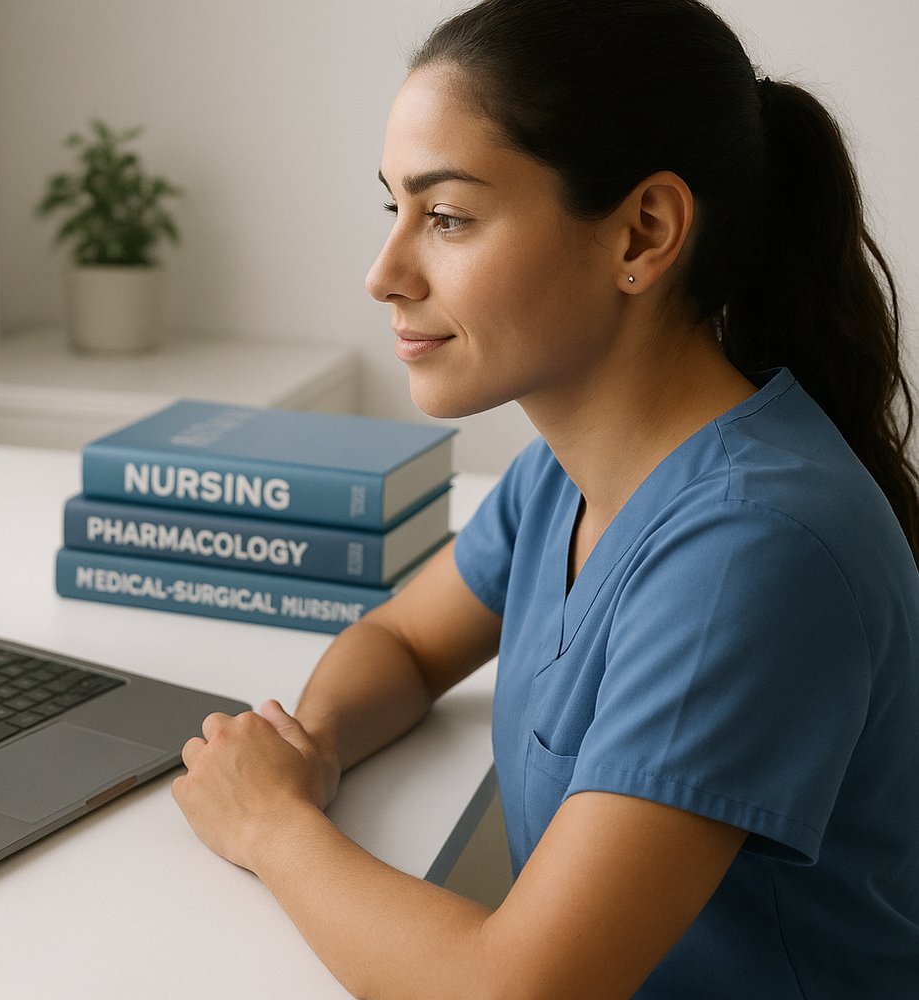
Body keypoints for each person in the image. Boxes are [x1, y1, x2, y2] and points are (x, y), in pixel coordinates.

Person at [169, 1, 919, 996]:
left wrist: (271, 823)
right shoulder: (567, 471)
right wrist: (310, 746)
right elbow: (405, 642)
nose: (384, 273)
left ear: (643, 234)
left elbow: (519, 989)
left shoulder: (754, 549)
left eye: (446, 216)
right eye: (391, 208)